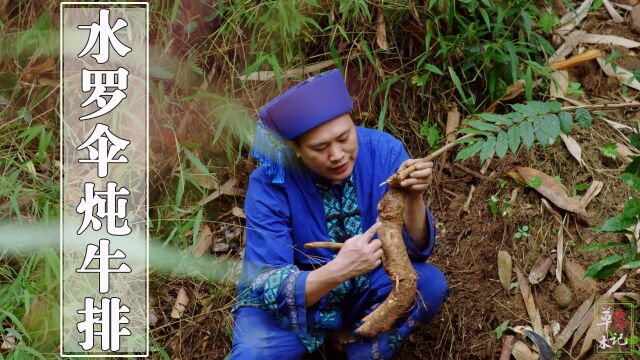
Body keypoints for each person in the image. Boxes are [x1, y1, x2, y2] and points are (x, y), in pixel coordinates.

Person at [229, 69, 449, 360]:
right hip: (296, 310)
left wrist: (414, 197)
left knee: (430, 285)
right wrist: (338, 270)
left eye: (344, 137)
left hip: (363, 290)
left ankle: (358, 350)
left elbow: (416, 254)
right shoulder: (270, 182)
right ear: (295, 149)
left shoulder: (384, 151)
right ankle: (320, 340)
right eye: (320, 147)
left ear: (353, 123)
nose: (337, 155)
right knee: (252, 354)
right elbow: (268, 283)